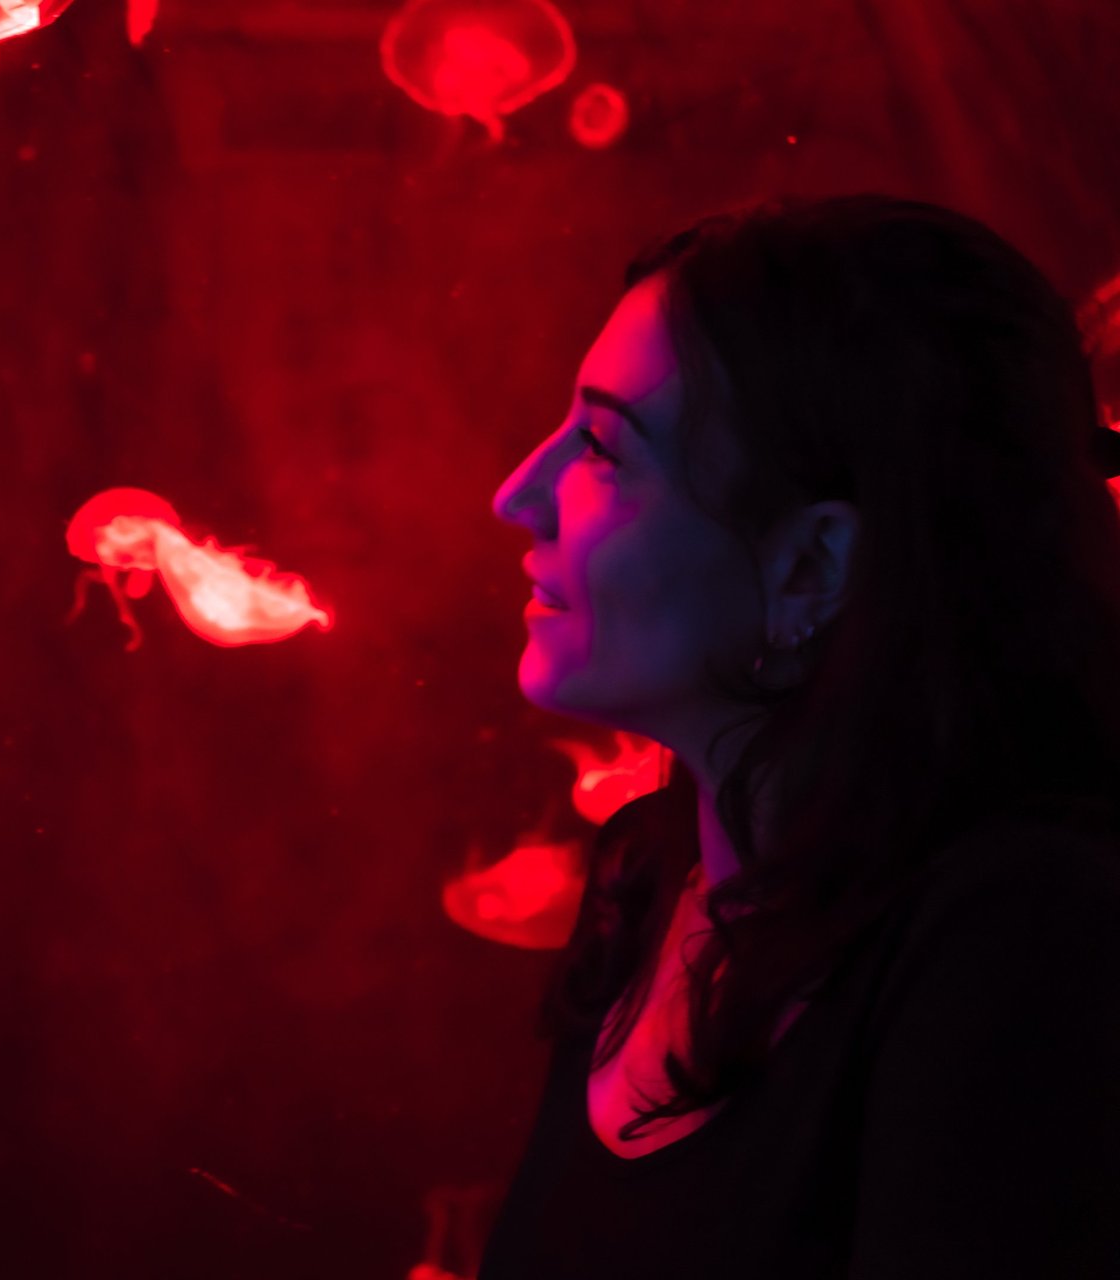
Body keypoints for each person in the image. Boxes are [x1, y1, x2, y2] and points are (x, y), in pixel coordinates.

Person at [479, 194, 1120, 1278]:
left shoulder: (1026, 936)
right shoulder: (643, 881)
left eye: (602, 447)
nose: (516, 496)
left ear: (812, 567)